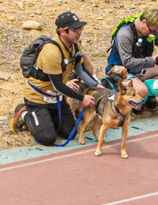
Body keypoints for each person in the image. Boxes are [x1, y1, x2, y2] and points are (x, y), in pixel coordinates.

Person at [14, 10, 99, 146]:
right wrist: (82, 98)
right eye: (75, 29)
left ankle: (46, 119)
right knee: (47, 138)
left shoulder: (74, 46)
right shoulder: (51, 52)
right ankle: (23, 112)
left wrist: (97, 85)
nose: (79, 32)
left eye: (80, 28)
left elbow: (81, 70)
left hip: (57, 98)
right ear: (62, 31)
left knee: (70, 133)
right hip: (38, 99)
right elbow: (58, 85)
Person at [106, 8, 158, 117]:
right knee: (143, 91)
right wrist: (150, 61)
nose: (153, 33)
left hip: (138, 68)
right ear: (144, 22)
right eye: (152, 31)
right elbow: (127, 62)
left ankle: (148, 99)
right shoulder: (125, 34)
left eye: (156, 31)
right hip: (121, 71)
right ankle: (123, 101)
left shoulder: (148, 29)